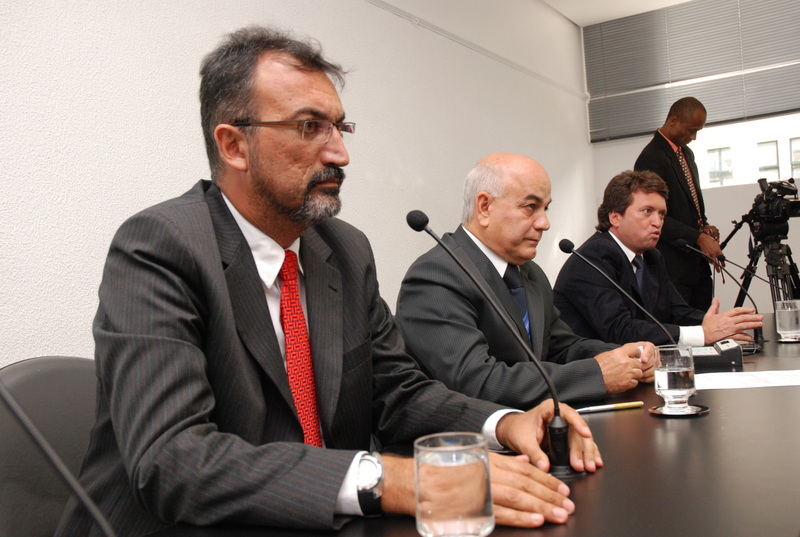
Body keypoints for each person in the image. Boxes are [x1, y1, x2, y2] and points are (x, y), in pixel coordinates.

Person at [54, 27, 602, 537]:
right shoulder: (160, 246)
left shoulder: (343, 249)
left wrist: (503, 423)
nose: (340, 153)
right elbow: (173, 459)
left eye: (340, 127)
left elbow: (397, 392)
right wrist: (395, 479)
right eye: (309, 126)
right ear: (234, 146)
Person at [394, 153, 655, 410]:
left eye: (545, 208)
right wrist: (596, 374)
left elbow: (561, 348)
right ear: (484, 207)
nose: (545, 223)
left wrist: (627, 357)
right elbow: (477, 381)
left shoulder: (531, 273)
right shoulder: (436, 274)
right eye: (531, 207)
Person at [553, 170, 763, 346]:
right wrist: (703, 333)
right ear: (615, 217)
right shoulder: (593, 257)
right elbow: (619, 330)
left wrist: (722, 325)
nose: (657, 222)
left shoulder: (651, 257)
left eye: (661, 214)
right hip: (591, 373)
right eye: (647, 211)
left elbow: (677, 312)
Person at [634, 96, 722, 311]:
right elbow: (652, 216)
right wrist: (698, 237)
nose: (694, 137)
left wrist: (703, 226)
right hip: (673, 265)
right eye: (691, 130)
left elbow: (689, 203)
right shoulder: (651, 157)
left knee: (706, 320)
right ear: (673, 120)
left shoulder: (686, 153)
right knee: (683, 323)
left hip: (695, 262)